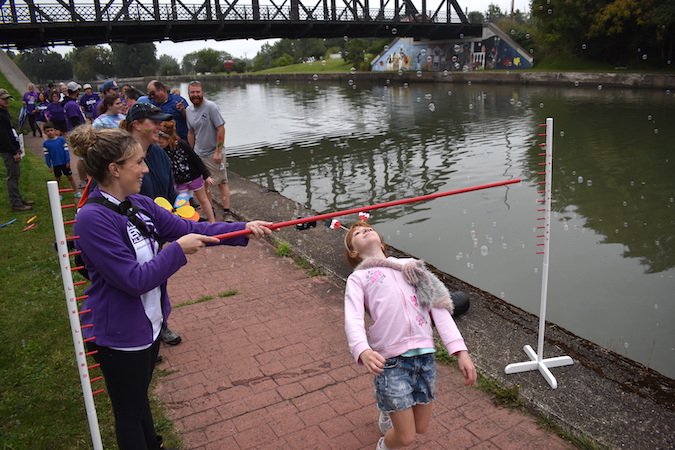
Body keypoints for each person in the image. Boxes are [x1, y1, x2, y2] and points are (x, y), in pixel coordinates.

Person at [69, 124, 273, 449]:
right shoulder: (92, 219)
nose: (146, 168)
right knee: (129, 413)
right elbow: (132, 280)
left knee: (139, 402)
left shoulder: (138, 203)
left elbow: (188, 228)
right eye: (138, 162)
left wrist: (242, 229)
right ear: (114, 168)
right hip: (119, 335)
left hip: (149, 325)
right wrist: (177, 251)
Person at [343, 221, 477, 450]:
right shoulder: (359, 278)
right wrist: (362, 350)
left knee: (420, 428)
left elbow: (440, 308)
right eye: (357, 232)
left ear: (382, 243)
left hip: (425, 359)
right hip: (391, 361)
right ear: (353, 251)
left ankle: (387, 410)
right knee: (405, 438)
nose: (365, 230)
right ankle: (383, 445)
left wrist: (461, 352)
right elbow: (353, 318)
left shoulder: (412, 267)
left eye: (368, 228)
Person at [120, 102, 182, 345]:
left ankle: (160, 327)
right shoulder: (118, 156)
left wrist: (178, 209)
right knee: (131, 284)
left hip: (156, 233)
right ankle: (137, 335)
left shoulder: (158, 154)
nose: (161, 126)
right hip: (127, 233)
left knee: (158, 279)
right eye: (154, 122)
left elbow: (169, 192)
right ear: (136, 125)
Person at [185, 81, 233, 221]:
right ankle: (210, 210)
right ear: (188, 94)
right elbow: (191, 132)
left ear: (202, 92)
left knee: (221, 182)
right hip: (199, 153)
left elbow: (221, 128)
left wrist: (218, 151)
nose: (195, 95)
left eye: (197, 92)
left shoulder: (211, 107)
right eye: (192, 92)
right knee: (203, 183)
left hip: (214, 153)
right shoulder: (189, 111)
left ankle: (227, 211)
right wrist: (191, 152)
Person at [157, 120, 216, 223]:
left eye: (161, 142)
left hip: (194, 177)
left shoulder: (182, 144)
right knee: (182, 203)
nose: (159, 144)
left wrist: (206, 176)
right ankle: (189, 223)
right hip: (179, 181)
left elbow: (196, 159)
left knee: (203, 199)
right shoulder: (162, 151)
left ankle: (212, 221)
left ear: (169, 138)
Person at [1, 88, 34, 212]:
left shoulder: (5, 112)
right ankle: (15, 203)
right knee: (12, 176)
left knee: (16, 174)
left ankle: (19, 199)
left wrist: (17, 147)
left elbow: (10, 132)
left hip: (12, 147)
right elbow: (3, 137)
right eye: (4, 99)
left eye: (7, 98)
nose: (6, 101)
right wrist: (13, 151)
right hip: (7, 150)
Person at [42, 121, 80, 198]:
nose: (50, 132)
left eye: (51, 130)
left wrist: (67, 161)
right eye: (48, 131)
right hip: (56, 164)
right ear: (45, 132)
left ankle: (76, 191)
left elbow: (66, 151)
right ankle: (59, 193)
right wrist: (49, 165)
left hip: (64, 162)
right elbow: (47, 155)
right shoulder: (46, 143)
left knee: (70, 177)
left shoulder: (61, 140)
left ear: (55, 130)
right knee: (57, 179)